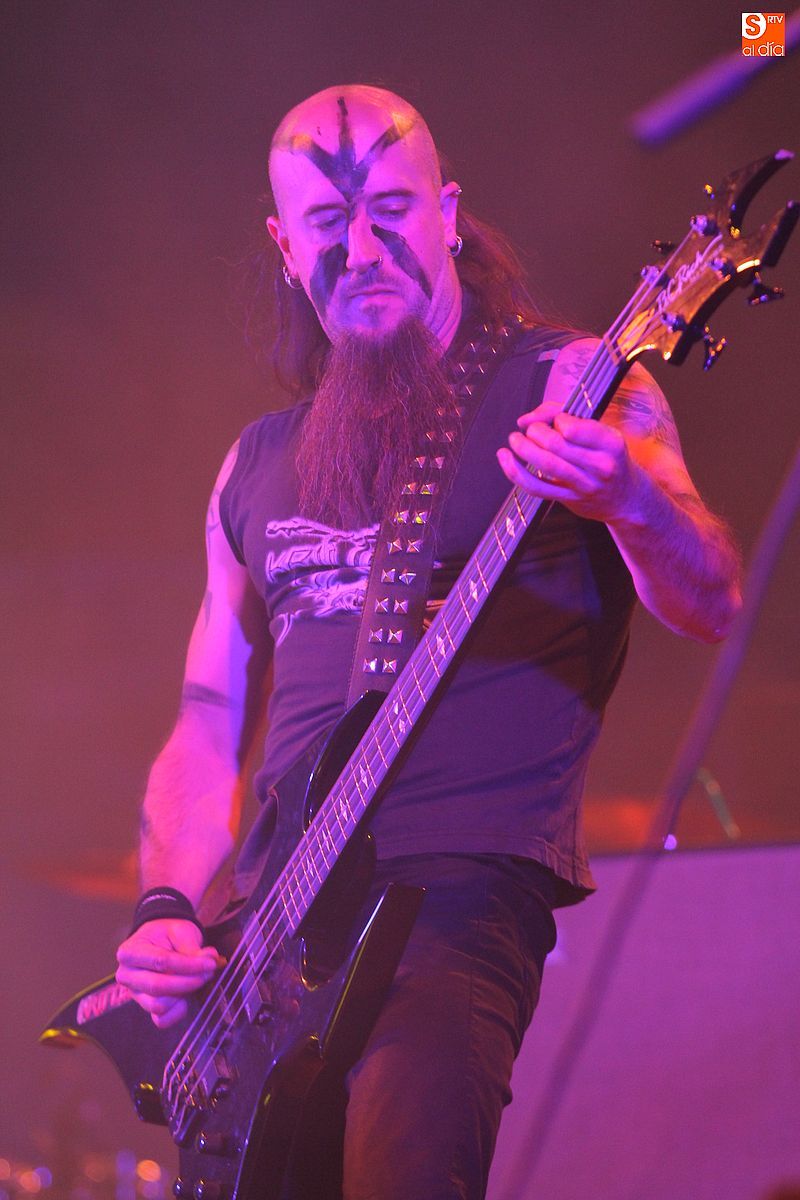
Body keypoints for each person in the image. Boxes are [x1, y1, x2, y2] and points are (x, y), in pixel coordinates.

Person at [114, 85, 742, 1199]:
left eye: (391, 210)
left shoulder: (576, 383)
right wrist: (167, 905)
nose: (361, 248)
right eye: (326, 223)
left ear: (447, 214)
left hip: (456, 896)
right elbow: (207, 718)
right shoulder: (252, 463)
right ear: (285, 246)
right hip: (269, 937)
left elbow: (711, 600)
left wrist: (629, 501)